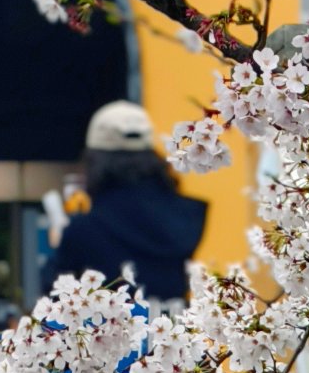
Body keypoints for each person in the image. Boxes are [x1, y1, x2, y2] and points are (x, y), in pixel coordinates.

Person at [41, 101, 207, 305]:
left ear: (95, 161)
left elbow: (55, 297)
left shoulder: (84, 229)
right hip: (171, 330)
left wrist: (61, 242)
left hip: (109, 332)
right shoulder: (183, 218)